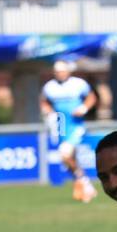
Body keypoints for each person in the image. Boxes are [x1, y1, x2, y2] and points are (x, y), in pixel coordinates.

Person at [40, 60, 98, 203]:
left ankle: (84, 182)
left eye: (62, 71)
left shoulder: (78, 84)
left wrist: (83, 108)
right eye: (57, 71)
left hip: (76, 125)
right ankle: (84, 186)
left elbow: (92, 97)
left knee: (65, 155)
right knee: (70, 158)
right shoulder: (50, 87)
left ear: (68, 71)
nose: (60, 74)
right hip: (61, 125)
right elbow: (44, 101)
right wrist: (49, 112)